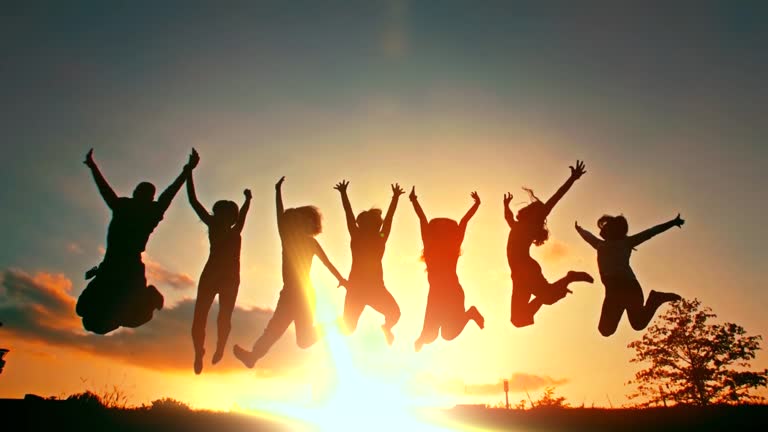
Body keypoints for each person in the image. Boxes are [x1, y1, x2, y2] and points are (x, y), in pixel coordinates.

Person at [76, 148, 199, 335]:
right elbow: (169, 193)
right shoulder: (145, 210)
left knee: (86, 309)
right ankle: (147, 298)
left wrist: (93, 167)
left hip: (118, 265)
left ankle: (148, 298)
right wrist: (187, 169)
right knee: (88, 309)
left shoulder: (127, 208)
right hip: (120, 266)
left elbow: (105, 190)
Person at [233, 177, 347, 368]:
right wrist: (277, 191)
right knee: (277, 332)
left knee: (303, 340)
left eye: (297, 219)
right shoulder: (286, 238)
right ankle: (253, 357)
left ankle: (335, 325)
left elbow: (328, 263)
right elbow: (279, 216)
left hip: (304, 294)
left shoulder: (311, 243)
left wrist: (342, 279)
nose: (291, 222)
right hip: (288, 293)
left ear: (306, 224)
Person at [506, 160, 594, 328]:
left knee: (548, 297)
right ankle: (552, 290)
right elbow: (508, 217)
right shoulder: (517, 225)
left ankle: (569, 277)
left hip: (526, 268)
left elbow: (556, 197)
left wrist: (572, 179)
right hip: (518, 275)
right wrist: (505, 205)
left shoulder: (533, 223)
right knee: (518, 320)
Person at [187, 159, 251, 374]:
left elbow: (244, 213)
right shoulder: (213, 225)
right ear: (217, 214)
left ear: (232, 217)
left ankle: (220, 346)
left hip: (231, 278)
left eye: (228, 214)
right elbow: (193, 201)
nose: (223, 217)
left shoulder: (236, 229)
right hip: (212, 275)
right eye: (220, 213)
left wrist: (248, 199)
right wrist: (189, 172)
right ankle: (199, 353)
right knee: (200, 317)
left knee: (224, 317)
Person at [575, 213, 684, 336]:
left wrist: (672, 223)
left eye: (605, 228)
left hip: (629, 288)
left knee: (638, 324)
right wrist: (579, 229)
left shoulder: (626, 242)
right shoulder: (600, 244)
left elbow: (651, 232)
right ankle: (655, 298)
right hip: (613, 292)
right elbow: (587, 236)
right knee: (605, 330)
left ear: (612, 231)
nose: (602, 231)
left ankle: (655, 299)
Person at [410, 187, 484, 352]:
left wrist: (476, 205)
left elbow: (463, 222)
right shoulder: (431, 244)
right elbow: (422, 219)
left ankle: (470, 313)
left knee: (447, 335)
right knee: (431, 335)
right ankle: (422, 338)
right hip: (436, 294)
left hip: (451, 292)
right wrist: (414, 201)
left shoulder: (450, 244)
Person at [333, 180, 403, 345]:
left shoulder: (364, 236)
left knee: (394, 314)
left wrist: (343, 193)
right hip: (362, 289)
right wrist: (395, 198)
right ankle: (386, 326)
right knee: (349, 329)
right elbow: (350, 216)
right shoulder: (375, 238)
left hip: (367, 289)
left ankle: (386, 328)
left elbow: (350, 215)